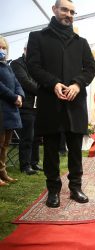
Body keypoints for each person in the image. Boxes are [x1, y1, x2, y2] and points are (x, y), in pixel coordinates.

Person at [26, 0, 95, 208]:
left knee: (75, 148)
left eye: (72, 12)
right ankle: (53, 190)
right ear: (54, 10)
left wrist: (77, 84)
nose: (69, 14)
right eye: (65, 10)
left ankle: (76, 187)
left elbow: (90, 69)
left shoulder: (81, 42)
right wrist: (53, 83)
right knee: (50, 149)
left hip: (75, 102)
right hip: (50, 101)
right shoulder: (37, 37)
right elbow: (33, 66)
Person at [10, 44, 41, 175]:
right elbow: (25, 82)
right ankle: (25, 165)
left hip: (37, 106)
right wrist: (42, 91)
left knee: (37, 137)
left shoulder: (37, 65)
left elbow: (41, 80)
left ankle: (34, 163)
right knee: (27, 137)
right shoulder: (17, 64)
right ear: (25, 50)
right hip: (25, 106)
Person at [0, 35, 24, 186]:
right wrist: (13, 97)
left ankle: (3, 172)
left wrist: (20, 96)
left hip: (10, 110)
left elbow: (17, 83)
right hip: (1, 109)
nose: (2, 50)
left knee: (5, 144)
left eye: (3, 48)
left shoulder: (7, 66)